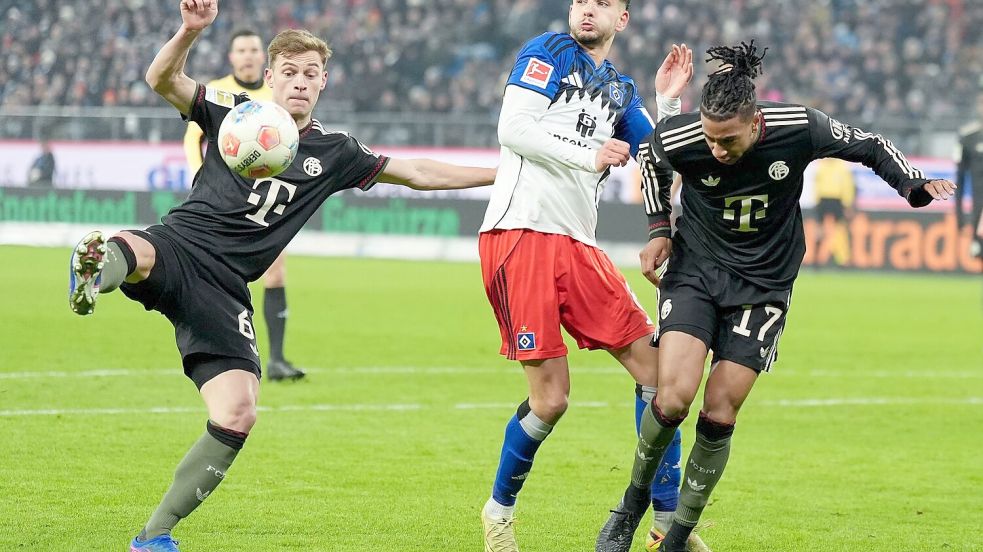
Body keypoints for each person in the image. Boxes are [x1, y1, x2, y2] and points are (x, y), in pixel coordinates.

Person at [66, 2, 495, 551]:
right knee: (137, 250)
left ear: (323, 83)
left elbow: (419, 172)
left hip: (226, 289)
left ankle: (153, 537)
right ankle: (95, 269)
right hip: (182, 244)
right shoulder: (233, 112)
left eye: (309, 74)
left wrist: (502, 174)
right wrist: (190, 31)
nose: (298, 83)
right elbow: (160, 79)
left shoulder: (336, 151)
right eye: (288, 72)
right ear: (269, 77)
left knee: (238, 413)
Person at [595, 41, 956, 552]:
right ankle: (630, 506)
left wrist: (912, 185)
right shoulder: (687, 134)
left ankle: (676, 537)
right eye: (711, 139)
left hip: (764, 283)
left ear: (755, 122)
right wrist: (658, 229)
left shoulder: (799, 126)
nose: (716, 149)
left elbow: (870, 144)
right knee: (673, 397)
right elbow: (653, 161)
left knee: (720, 412)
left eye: (728, 141)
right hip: (697, 269)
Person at [477, 2, 708, 551]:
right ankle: (499, 513)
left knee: (660, 376)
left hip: (581, 245)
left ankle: (666, 522)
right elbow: (514, 128)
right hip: (522, 233)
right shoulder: (547, 52)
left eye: (603, 2)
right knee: (551, 400)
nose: (587, 9)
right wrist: (588, 152)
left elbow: (660, 157)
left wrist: (667, 100)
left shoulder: (621, 90)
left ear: (621, 19)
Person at [183, 29, 303, 381]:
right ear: (232, 57)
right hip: (223, 199)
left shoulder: (276, 93)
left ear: (263, 61)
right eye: (242, 50)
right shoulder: (219, 89)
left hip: (265, 201)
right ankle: (222, 349)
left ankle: (277, 359)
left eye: (254, 49)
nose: (248, 55)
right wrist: (199, 179)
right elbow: (194, 138)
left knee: (276, 272)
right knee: (221, 276)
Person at [955, 92, 983, 263]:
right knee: (978, 252)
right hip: (978, 208)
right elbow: (959, 179)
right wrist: (959, 214)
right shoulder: (968, 137)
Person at [812, 157, 856, 266]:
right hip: (823, 199)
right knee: (820, 230)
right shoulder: (821, 165)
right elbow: (817, 184)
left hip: (836, 200)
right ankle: (816, 259)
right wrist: (817, 201)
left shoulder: (842, 166)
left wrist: (847, 204)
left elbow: (847, 186)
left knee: (840, 230)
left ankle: (843, 260)